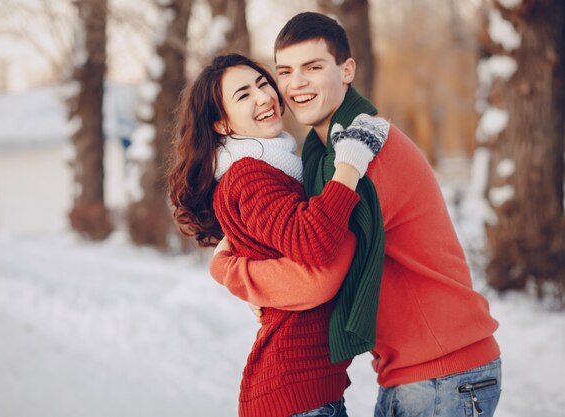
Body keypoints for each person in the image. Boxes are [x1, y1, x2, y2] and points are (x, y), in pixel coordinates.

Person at [210, 12, 502, 417]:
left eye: (313, 68)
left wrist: (232, 271)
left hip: (442, 372)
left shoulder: (359, 152)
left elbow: (316, 276)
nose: (296, 85)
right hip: (417, 369)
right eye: (285, 72)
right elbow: (299, 230)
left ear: (347, 70)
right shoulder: (322, 151)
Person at [168, 53, 389, 417]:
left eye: (263, 83)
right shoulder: (248, 176)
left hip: (304, 391)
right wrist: (350, 164)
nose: (264, 97)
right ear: (222, 124)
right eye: (243, 95)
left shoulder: (274, 167)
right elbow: (314, 242)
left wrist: (234, 268)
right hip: (294, 393)